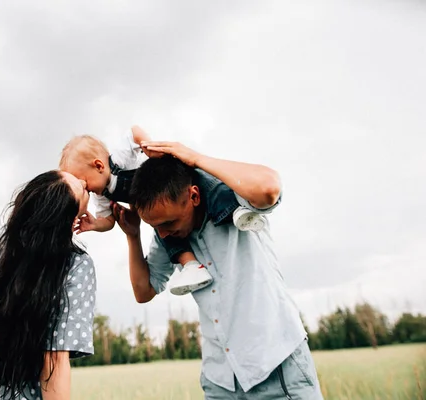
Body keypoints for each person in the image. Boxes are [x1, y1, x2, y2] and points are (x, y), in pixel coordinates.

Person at [112, 141, 323, 399]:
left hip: (276, 368)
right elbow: (144, 291)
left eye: (169, 222)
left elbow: (269, 188)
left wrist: (195, 158)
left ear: (194, 196)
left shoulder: (236, 204)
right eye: (156, 227)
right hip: (220, 381)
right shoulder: (165, 235)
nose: (164, 233)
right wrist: (133, 237)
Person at [59, 126, 266, 295]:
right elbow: (109, 221)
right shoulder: (102, 195)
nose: (85, 191)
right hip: (155, 209)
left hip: (165, 182)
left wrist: (148, 146)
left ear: (98, 165)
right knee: (165, 235)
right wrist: (97, 225)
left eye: (83, 183)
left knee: (208, 186)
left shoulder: (118, 161)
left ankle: (237, 210)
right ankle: (191, 266)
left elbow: (134, 132)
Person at [0, 170, 97, 400]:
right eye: (81, 188)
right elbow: (54, 361)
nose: (85, 182)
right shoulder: (76, 265)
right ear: (69, 219)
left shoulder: (4, 241)